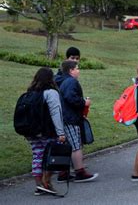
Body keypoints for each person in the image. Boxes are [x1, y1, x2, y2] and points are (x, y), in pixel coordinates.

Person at [25, 67, 66, 196]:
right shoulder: (51, 93)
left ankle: (39, 185)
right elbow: (56, 113)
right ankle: (46, 182)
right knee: (55, 157)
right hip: (48, 131)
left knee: (37, 157)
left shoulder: (30, 93)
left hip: (32, 132)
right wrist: (61, 133)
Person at [56, 60, 98, 183]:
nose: (78, 71)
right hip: (70, 118)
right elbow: (70, 98)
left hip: (64, 117)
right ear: (71, 70)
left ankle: (63, 173)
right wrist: (84, 102)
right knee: (76, 145)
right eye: (77, 68)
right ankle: (80, 172)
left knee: (66, 145)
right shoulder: (71, 81)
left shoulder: (62, 81)